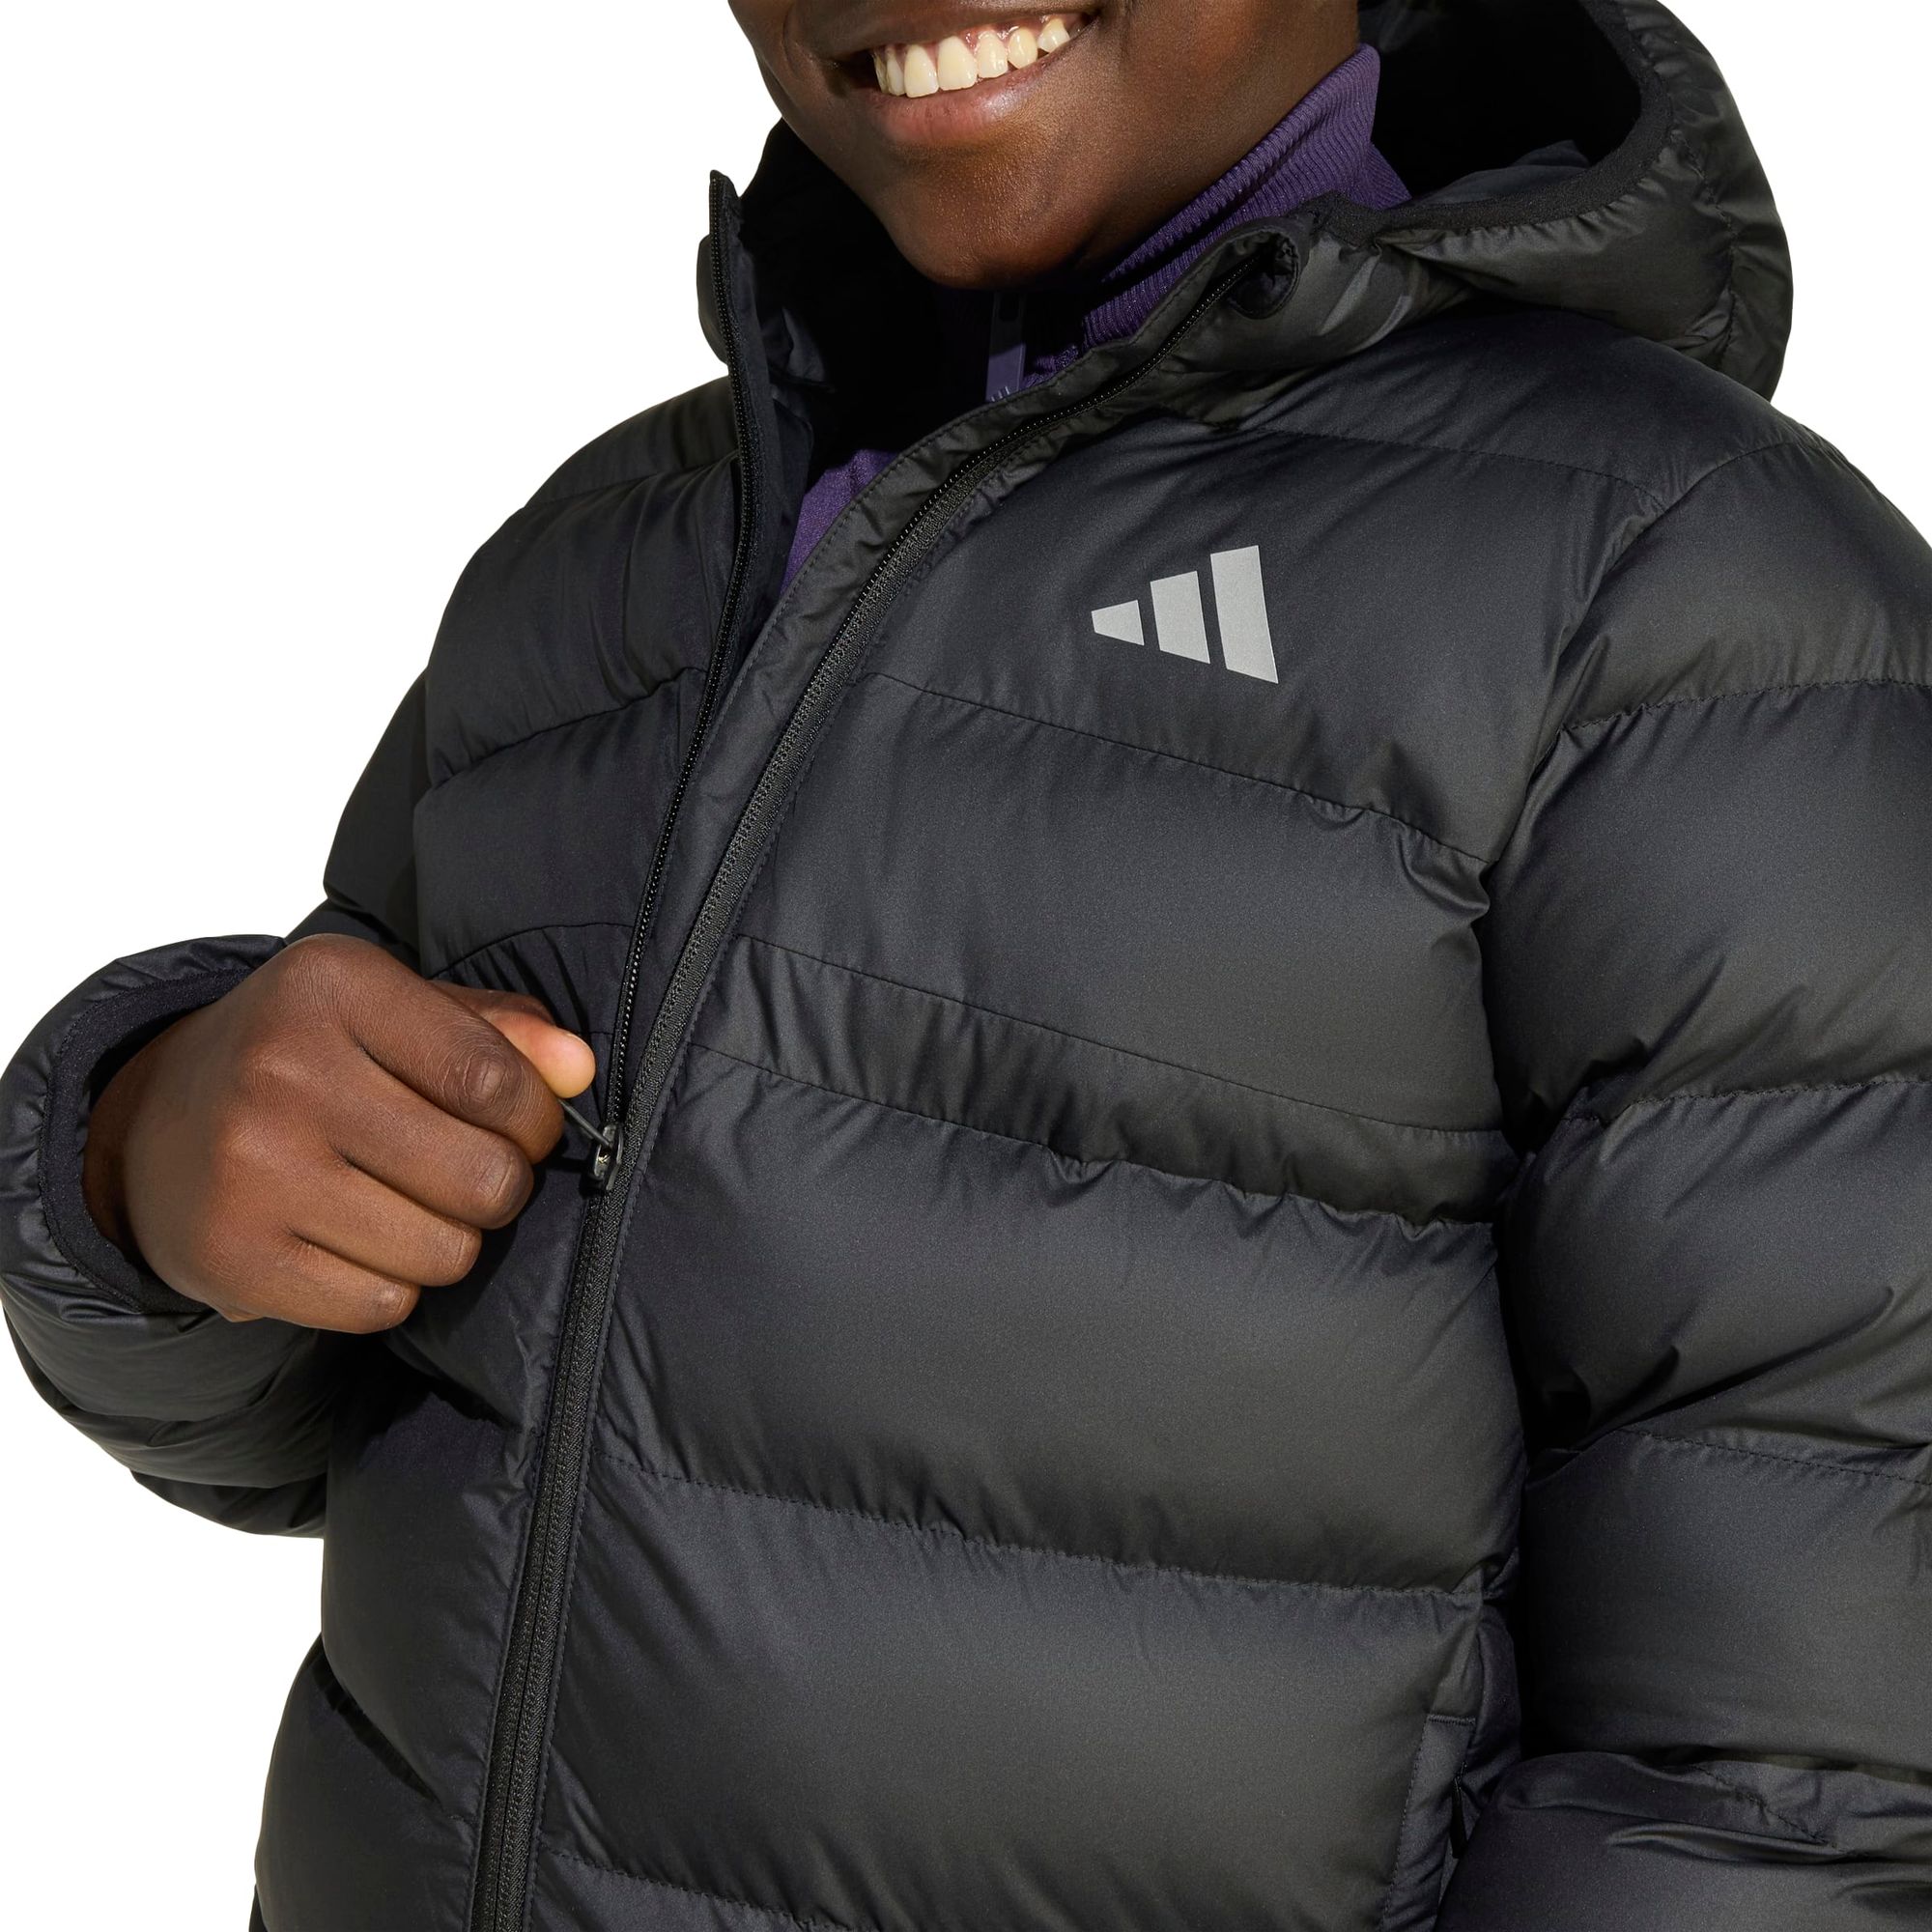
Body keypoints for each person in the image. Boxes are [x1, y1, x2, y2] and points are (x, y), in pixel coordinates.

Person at [4, 0, 1928, 1925]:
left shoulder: (1685, 607)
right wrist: (137, 1162)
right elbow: (328, 1395)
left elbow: (1801, 1779)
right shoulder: (606, 563)